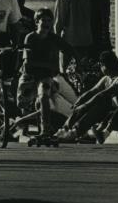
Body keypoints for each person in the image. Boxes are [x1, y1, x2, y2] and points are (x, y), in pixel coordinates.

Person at [16, 8, 76, 138]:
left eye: (49, 21)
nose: (47, 24)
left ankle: (45, 128)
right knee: (24, 101)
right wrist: (50, 65)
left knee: (44, 96)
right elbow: (28, 63)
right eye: (44, 20)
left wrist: (74, 63)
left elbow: (69, 49)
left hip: (45, 76)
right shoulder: (30, 37)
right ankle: (24, 127)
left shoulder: (54, 39)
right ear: (37, 21)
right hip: (29, 74)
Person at [54, 0, 93, 69]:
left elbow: (59, 20)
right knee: (82, 69)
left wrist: (56, 40)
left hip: (69, 39)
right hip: (85, 38)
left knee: (65, 70)